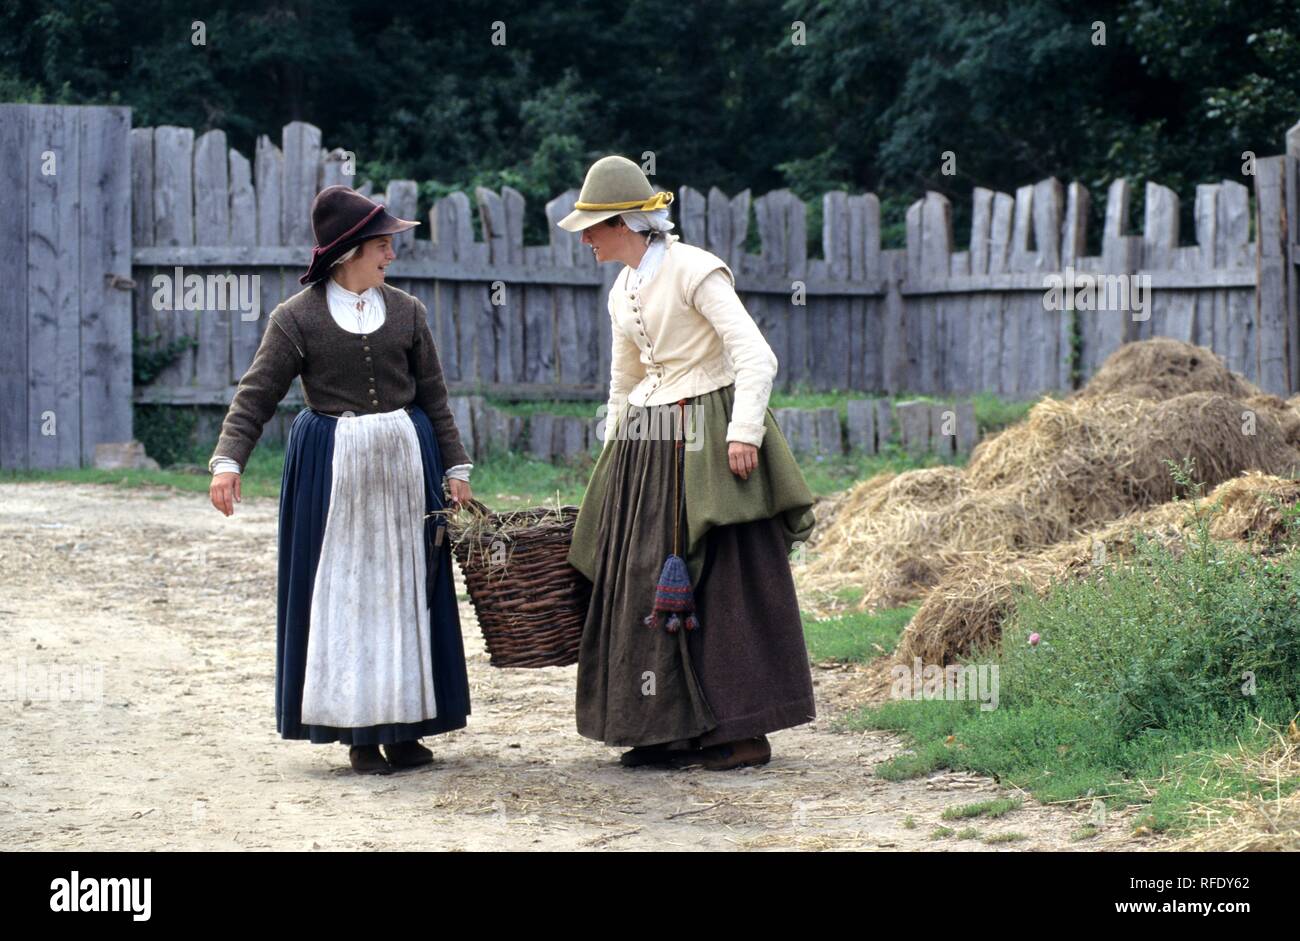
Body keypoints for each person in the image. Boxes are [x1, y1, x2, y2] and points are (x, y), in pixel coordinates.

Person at [560, 156, 818, 771]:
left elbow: (756, 356)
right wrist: (613, 451)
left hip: (711, 434)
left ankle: (743, 729)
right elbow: (624, 380)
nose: (586, 239)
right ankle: (662, 727)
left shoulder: (695, 270)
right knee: (642, 573)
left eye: (592, 228)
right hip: (647, 444)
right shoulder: (622, 289)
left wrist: (745, 432)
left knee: (725, 576)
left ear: (623, 223)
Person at [208, 185, 473, 775]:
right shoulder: (296, 318)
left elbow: (434, 395)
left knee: (406, 591)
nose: (391, 257)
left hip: (407, 463)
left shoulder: (407, 311)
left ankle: (406, 729)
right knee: (348, 595)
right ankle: (359, 733)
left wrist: (455, 467)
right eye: (383, 246)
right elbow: (257, 394)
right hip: (336, 470)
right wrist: (229, 461)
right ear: (350, 251)